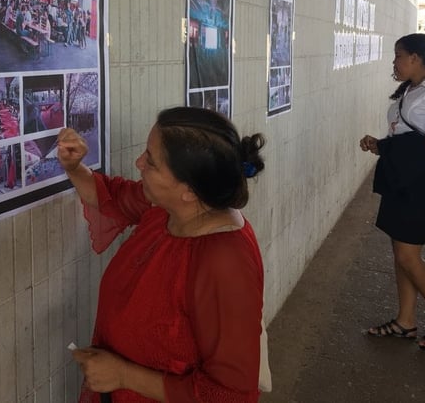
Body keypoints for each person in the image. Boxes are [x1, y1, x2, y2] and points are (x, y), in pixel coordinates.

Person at [57, 107, 267, 402]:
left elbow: (229, 394)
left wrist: (123, 375)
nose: (138, 162)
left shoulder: (223, 262)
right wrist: (74, 166)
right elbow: (115, 197)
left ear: (189, 191)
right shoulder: (166, 213)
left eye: (151, 162)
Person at [359, 33, 425, 351]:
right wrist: (383, 147)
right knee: (399, 253)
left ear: (415, 57)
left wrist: (398, 152)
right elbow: (403, 134)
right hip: (402, 176)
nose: (394, 62)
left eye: (398, 55)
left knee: (408, 256)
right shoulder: (411, 89)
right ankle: (405, 322)